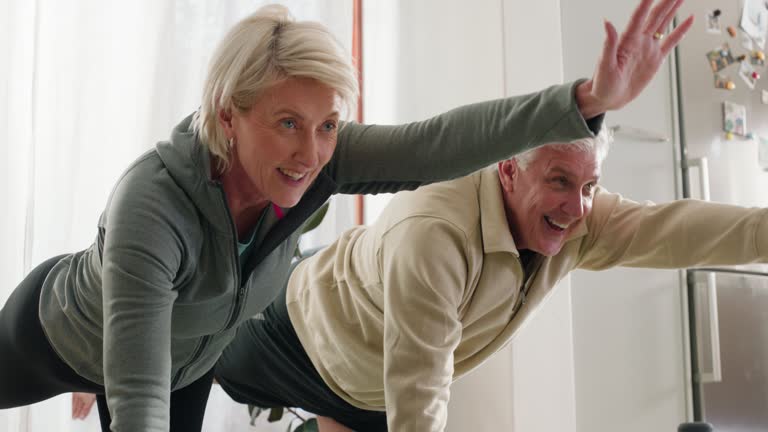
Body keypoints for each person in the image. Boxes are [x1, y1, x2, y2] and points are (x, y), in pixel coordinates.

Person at [0, 0, 690, 431]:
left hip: (184, 362)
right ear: (226, 117)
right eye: (288, 123)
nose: (311, 153)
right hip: (59, 332)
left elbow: (438, 145)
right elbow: (138, 388)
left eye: (329, 124)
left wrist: (586, 100)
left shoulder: (317, 160)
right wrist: (117, 381)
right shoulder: (152, 207)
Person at [215, 125, 768, 432]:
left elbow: (677, 229)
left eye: (590, 185)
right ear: (509, 169)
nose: (577, 206)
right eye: (559, 181)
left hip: (376, 375)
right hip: (299, 335)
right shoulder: (435, 237)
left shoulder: (579, 214)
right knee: (207, 360)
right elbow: (421, 388)